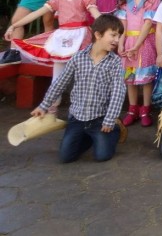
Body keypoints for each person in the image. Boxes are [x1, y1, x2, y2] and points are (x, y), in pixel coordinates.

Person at [29, 15, 127, 163]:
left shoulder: (115, 62)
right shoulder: (78, 58)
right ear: (98, 35)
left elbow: (118, 93)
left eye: (119, 36)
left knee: (102, 156)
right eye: (113, 35)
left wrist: (110, 119)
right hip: (77, 118)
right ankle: (88, 137)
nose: (117, 40)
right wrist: (44, 106)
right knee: (65, 157)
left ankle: (116, 129)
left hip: (100, 118)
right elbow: (60, 83)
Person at [6, 0, 103, 114]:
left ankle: (85, 108)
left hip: (81, 38)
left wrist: (108, 25)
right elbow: (37, 13)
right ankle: (52, 108)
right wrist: (14, 25)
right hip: (62, 37)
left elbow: (96, 15)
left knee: (84, 74)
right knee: (57, 74)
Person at [117, 0, 162, 127]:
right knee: (129, 77)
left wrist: (137, 45)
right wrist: (121, 43)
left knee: (145, 79)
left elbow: (148, 23)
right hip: (128, 42)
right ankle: (132, 110)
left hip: (145, 43)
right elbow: (123, 23)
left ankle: (145, 109)